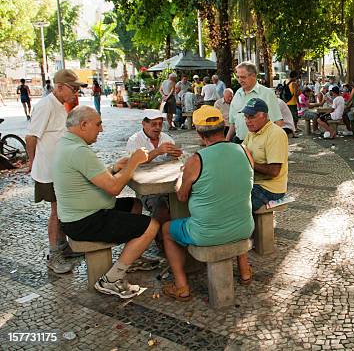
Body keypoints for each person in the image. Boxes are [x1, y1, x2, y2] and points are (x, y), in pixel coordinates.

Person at [52, 106, 158, 298]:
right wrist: (134, 161)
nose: (101, 130)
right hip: (84, 221)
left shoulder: (65, 143)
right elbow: (114, 188)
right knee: (152, 225)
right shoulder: (79, 151)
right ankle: (111, 280)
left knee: (135, 204)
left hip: (79, 215)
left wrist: (114, 167)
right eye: (98, 124)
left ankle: (133, 257)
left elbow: (93, 177)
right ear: (83, 125)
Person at [162, 106, 255, 300]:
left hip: (206, 234)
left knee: (166, 230)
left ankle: (181, 286)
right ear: (223, 126)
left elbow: (181, 196)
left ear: (198, 133)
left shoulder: (196, 160)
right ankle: (245, 271)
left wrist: (181, 177)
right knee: (231, 205)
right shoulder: (244, 150)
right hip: (245, 228)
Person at [25, 69, 84, 274]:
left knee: (62, 209)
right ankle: (54, 254)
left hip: (59, 168)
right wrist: (32, 162)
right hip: (48, 170)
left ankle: (63, 246)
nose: (75, 93)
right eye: (73, 88)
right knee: (56, 212)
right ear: (59, 87)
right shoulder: (45, 105)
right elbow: (31, 137)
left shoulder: (59, 105)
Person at [126, 109, 182, 250]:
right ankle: (163, 242)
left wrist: (176, 154)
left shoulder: (167, 138)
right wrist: (158, 151)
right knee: (160, 207)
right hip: (148, 189)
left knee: (186, 201)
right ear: (144, 124)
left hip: (169, 184)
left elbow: (176, 162)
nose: (157, 128)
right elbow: (133, 164)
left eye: (160, 124)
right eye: (153, 124)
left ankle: (181, 238)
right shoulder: (135, 140)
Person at [241, 98, 288, 211]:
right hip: (254, 183)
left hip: (271, 189)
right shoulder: (252, 133)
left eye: (252, 117)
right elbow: (242, 152)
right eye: (246, 117)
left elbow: (273, 171)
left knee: (235, 204)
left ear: (264, 116)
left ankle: (245, 228)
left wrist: (250, 162)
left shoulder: (276, 134)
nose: (247, 121)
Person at [227, 61, 283, 144]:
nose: (240, 80)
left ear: (253, 75)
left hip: (260, 143)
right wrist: (226, 141)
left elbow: (278, 122)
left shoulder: (267, 94)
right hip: (239, 142)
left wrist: (272, 144)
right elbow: (233, 123)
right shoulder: (237, 94)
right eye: (238, 77)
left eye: (243, 77)